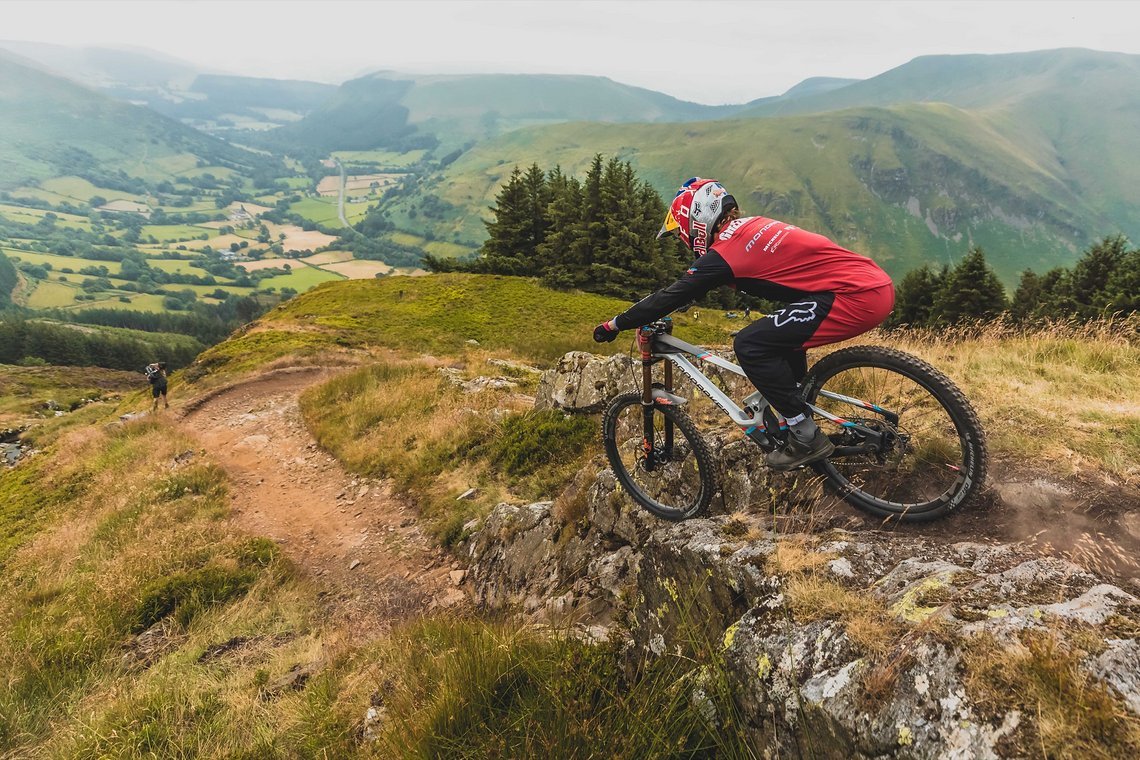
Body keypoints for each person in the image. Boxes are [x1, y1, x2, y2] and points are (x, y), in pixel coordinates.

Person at [593, 177, 894, 470]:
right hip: (873, 283)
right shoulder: (749, 227)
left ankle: (804, 435)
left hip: (855, 297)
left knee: (749, 344)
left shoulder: (724, 253)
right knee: (775, 336)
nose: (683, 240)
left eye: (681, 232)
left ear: (696, 221)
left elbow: (669, 296)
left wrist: (615, 324)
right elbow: (708, 282)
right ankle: (797, 404)